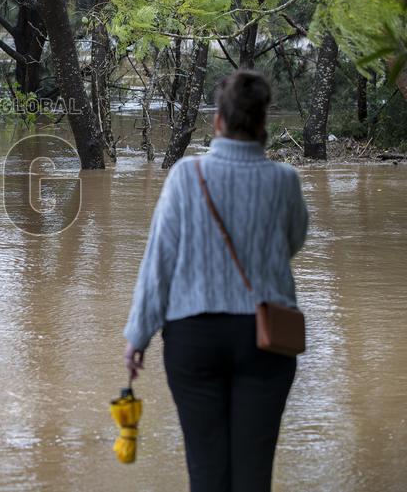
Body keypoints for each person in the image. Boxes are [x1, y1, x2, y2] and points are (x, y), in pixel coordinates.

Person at [122, 70, 308, 492]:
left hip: (193, 338)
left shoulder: (186, 176)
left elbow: (159, 263)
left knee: (206, 473)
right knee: (253, 476)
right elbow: (292, 243)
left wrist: (137, 337)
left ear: (217, 122)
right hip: (267, 338)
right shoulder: (285, 180)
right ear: (263, 124)